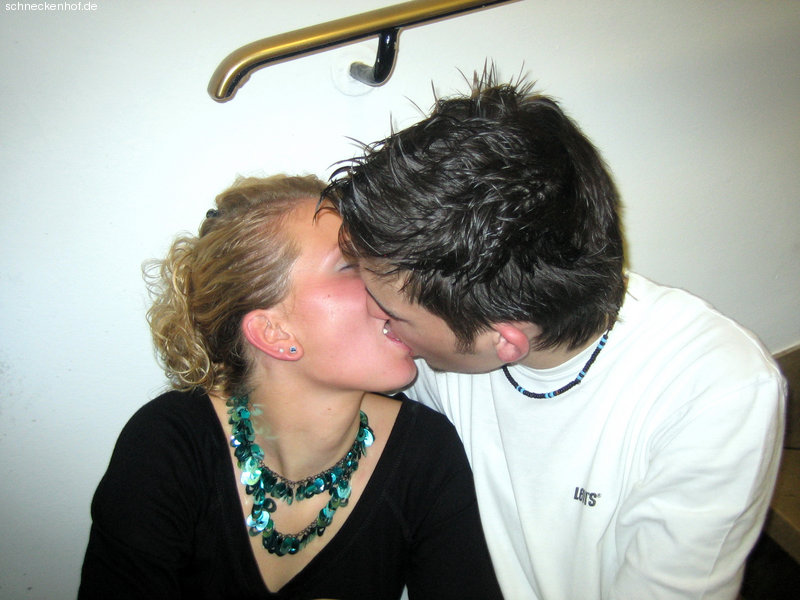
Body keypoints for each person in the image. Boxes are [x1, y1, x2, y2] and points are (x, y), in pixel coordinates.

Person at [324, 72, 787, 599]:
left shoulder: (717, 395)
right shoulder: (459, 328)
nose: (372, 316)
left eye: (391, 312)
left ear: (505, 342)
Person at [78, 175, 503, 599]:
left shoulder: (426, 452)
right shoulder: (169, 444)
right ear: (274, 332)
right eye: (350, 265)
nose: (397, 280)